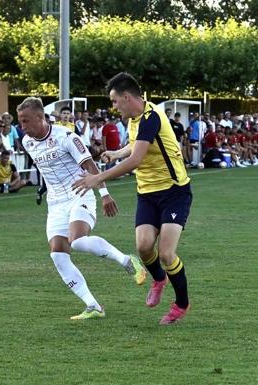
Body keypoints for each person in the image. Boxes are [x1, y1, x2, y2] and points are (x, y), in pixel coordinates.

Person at [72, 72, 193, 325]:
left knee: (167, 254)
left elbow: (136, 159)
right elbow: (137, 146)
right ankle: (159, 279)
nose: (113, 106)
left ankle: (181, 304)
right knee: (143, 246)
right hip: (147, 193)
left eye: (115, 101)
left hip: (174, 192)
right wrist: (117, 153)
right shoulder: (134, 118)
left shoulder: (151, 118)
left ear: (127, 97)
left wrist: (98, 178)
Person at [16, 96, 146, 320]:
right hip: (56, 202)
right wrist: (42, 190)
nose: (22, 126)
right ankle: (93, 305)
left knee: (77, 241)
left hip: (80, 193)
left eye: (26, 121)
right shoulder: (27, 142)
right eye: (20, 121)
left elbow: (89, 165)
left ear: (40, 117)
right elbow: (48, 172)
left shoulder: (65, 136)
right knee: (58, 254)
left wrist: (104, 194)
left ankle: (126, 260)